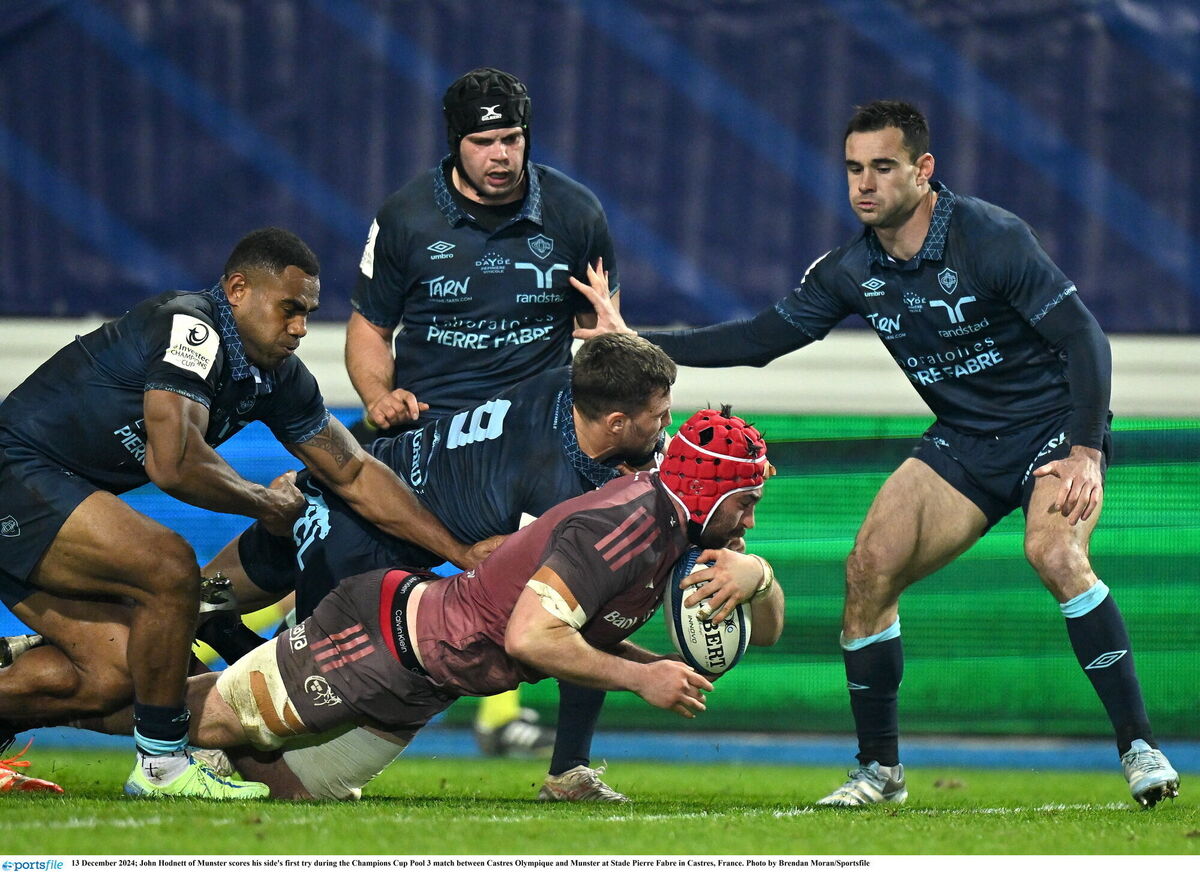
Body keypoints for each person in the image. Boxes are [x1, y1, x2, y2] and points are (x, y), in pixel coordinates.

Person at [573, 100, 1179, 809]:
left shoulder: (989, 237)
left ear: (924, 171)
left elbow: (1086, 340)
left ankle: (1139, 747)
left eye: (883, 167)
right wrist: (635, 339)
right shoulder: (851, 269)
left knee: (1052, 553)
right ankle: (880, 772)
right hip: (964, 439)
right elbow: (761, 340)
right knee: (867, 570)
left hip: (1052, 429)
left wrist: (1084, 451)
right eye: (855, 168)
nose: (864, 184)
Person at [0, 228, 491, 799]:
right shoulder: (192, 328)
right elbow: (175, 460)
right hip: (16, 473)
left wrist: (461, 553)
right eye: (289, 309)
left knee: (116, 677)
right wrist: (266, 503)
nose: (301, 329)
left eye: (307, 313)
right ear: (237, 289)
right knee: (168, 566)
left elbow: (353, 471)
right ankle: (162, 768)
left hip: (48, 499)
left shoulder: (279, 378)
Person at [87, 407, 784, 801]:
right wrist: (644, 677)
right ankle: (45, 695)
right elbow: (532, 641)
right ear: (711, 493)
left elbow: (765, 630)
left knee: (292, 793)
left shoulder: (671, 532)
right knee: (194, 714)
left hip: (427, 682)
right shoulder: (629, 524)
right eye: (745, 505)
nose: (749, 522)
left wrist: (759, 577)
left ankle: (203, 746)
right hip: (390, 643)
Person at [197, 332, 675, 800]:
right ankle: (179, 738)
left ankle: (196, 675)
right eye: (658, 416)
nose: (666, 423)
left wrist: (619, 335)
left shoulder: (567, 382)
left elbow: (615, 373)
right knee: (291, 679)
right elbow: (543, 619)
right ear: (615, 422)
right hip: (359, 539)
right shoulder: (553, 487)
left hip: (353, 484)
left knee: (202, 595)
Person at [345, 66, 622, 758]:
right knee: (315, 537)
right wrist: (379, 398)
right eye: (484, 141)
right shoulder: (406, 215)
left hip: (538, 437)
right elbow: (368, 329)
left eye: (512, 139)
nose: (500, 156)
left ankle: (569, 764)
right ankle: (213, 623)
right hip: (428, 437)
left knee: (581, 586)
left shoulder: (575, 214)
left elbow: (600, 332)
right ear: (455, 145)